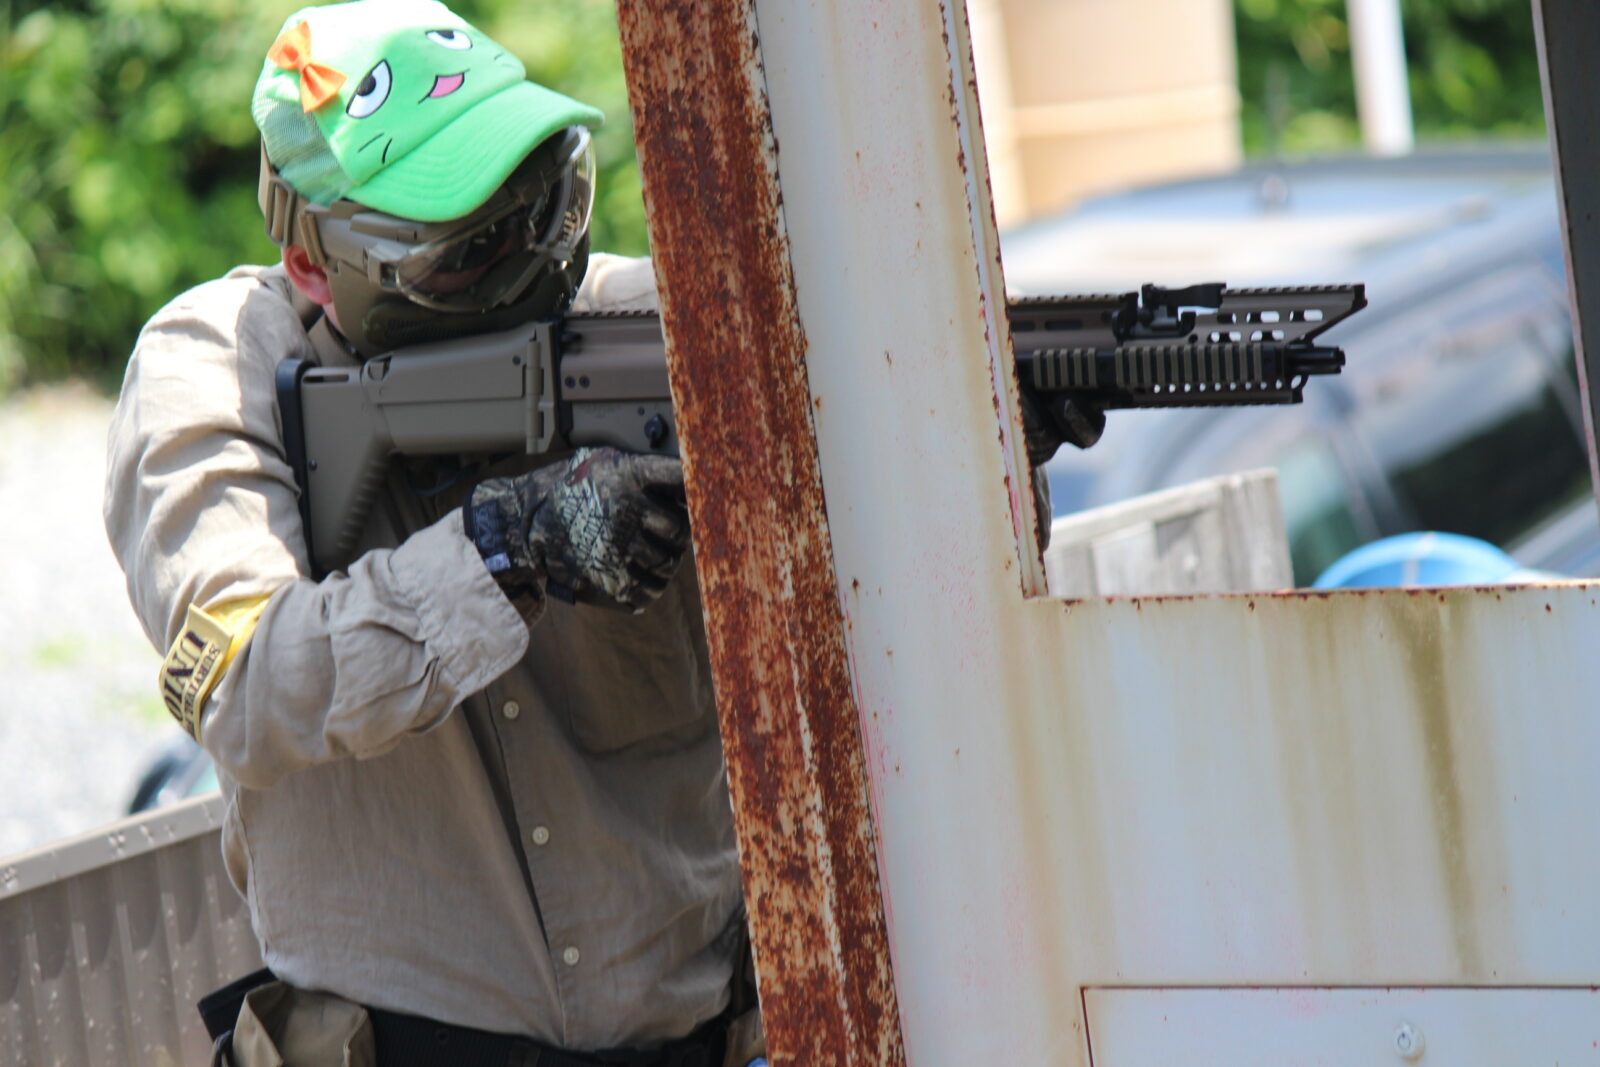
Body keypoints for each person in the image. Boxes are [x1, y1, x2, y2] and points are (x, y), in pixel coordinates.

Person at [103, 2, 762, 1064]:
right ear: (315, 262)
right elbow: (246, 685)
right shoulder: (214, 366)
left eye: (545, 206)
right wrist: (507, 547)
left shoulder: (646, 327)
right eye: (474, 246)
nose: (533, 260)